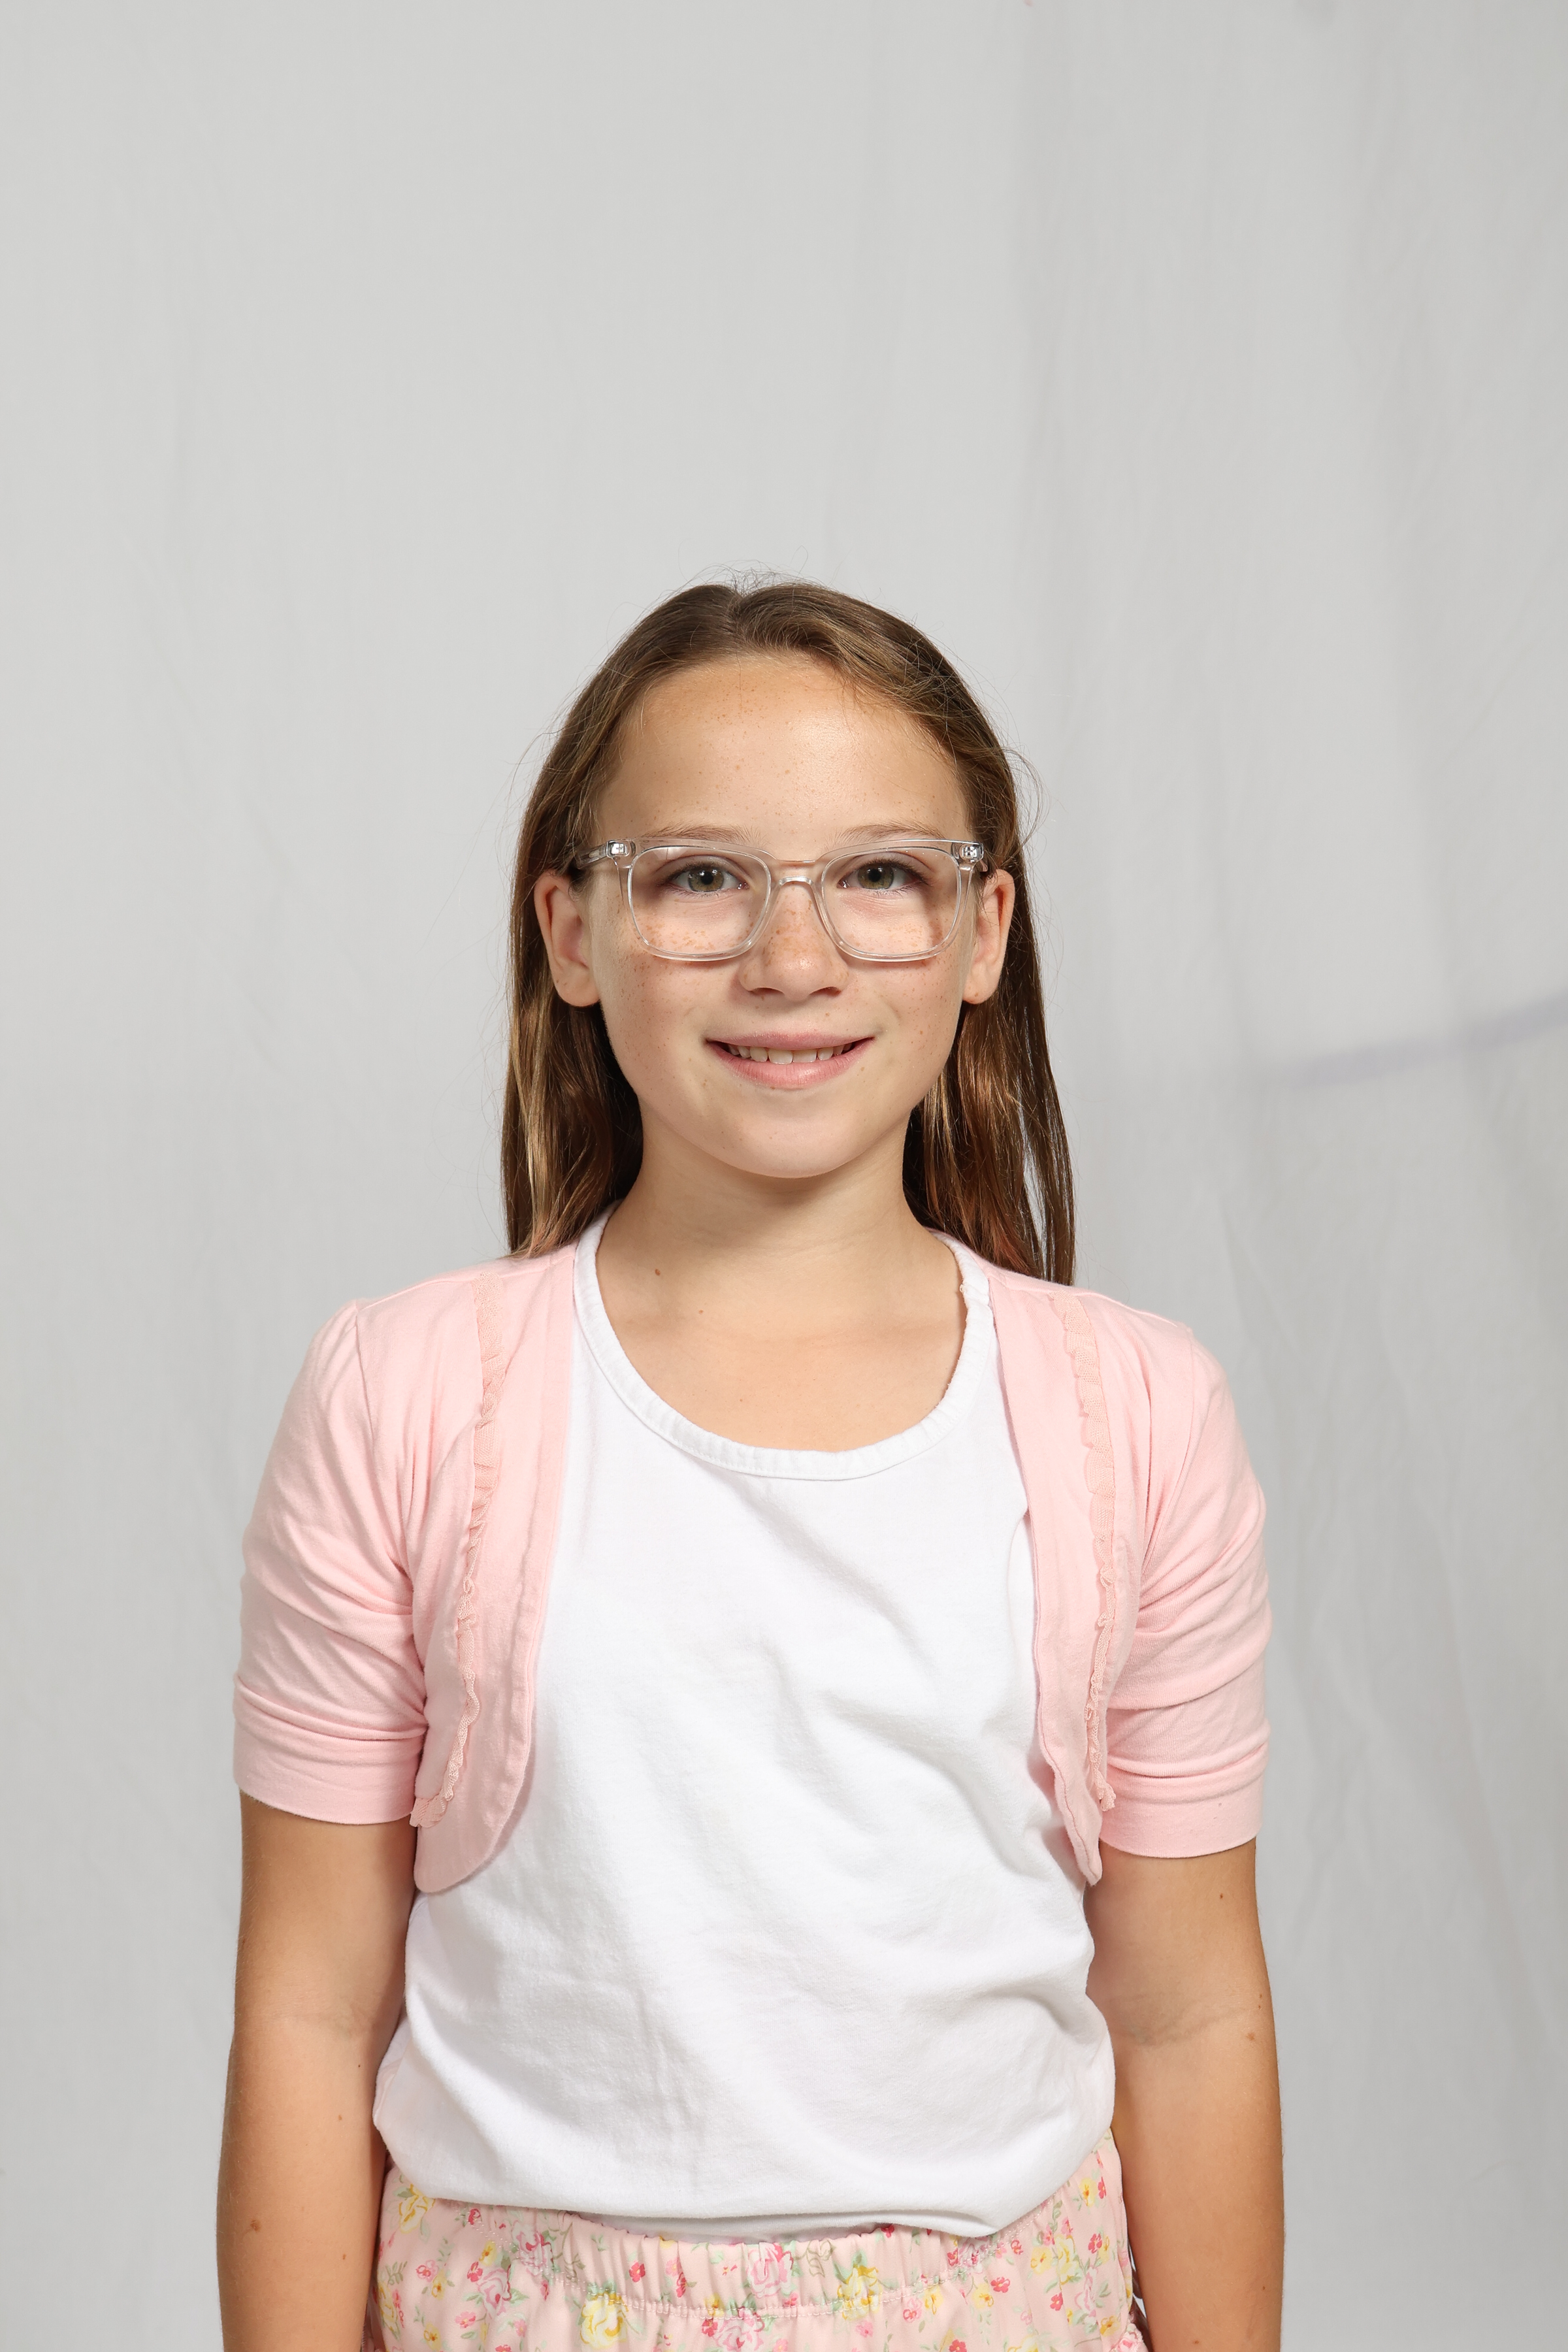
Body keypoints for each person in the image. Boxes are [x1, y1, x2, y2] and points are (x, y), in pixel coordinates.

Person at [217, 581, 1282, 2352]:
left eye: (880, 876)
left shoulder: (1139, 1415)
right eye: (702, 875)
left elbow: (1188, 2017)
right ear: (574, 929)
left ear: (983, 929)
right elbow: (312, 2010)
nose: (795, 960)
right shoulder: (403, 1395)